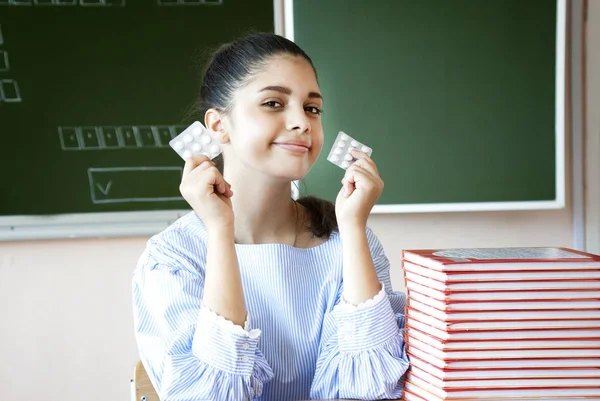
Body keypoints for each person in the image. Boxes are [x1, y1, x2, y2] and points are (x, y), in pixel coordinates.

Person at [132, 32, 409, 401]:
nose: (302, 122)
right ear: (218, 126)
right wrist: (219, 230)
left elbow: (368, 391)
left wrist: (354, 228)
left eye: (312, 108)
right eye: (274, 103)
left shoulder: (350, 241)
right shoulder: (172, 259)